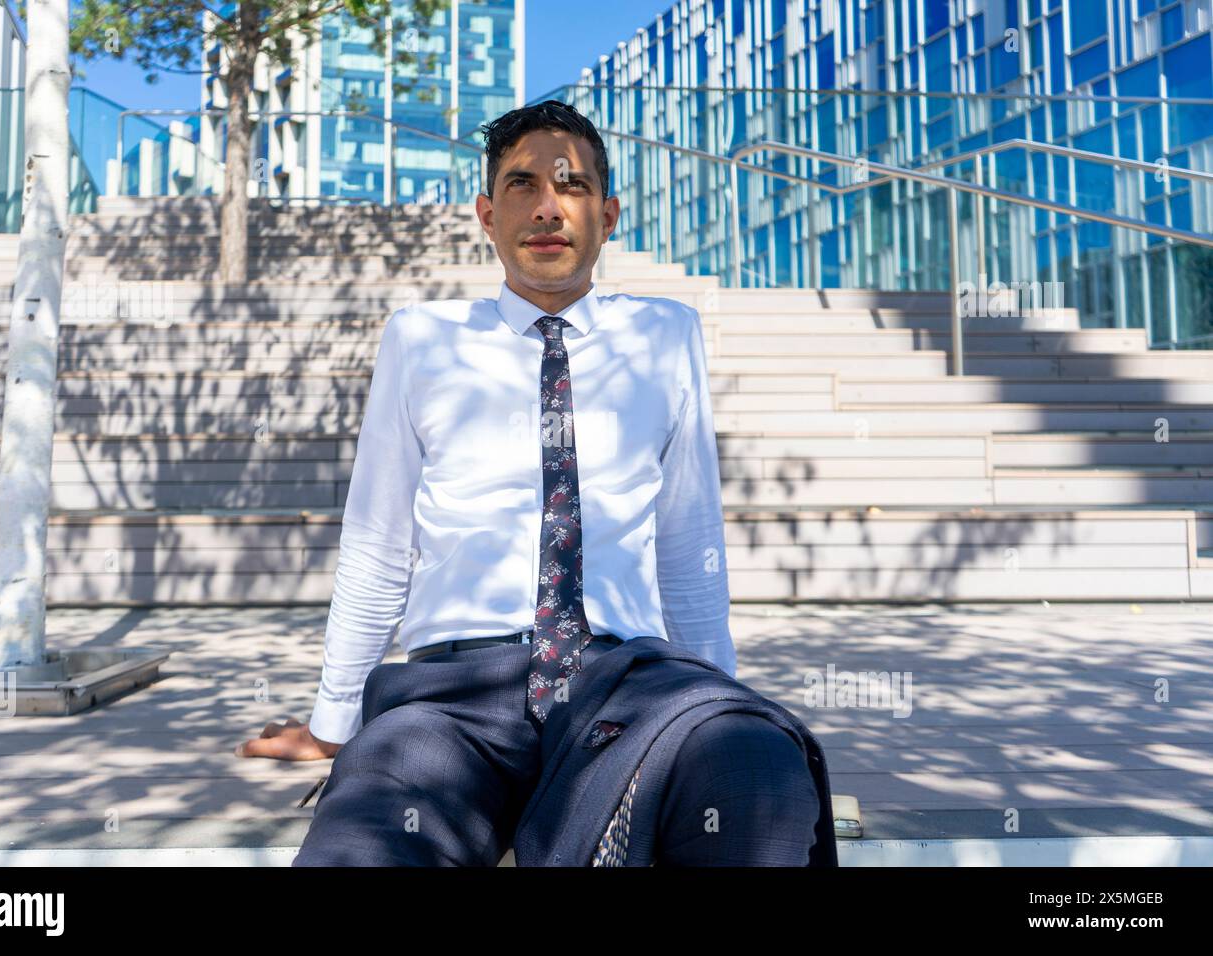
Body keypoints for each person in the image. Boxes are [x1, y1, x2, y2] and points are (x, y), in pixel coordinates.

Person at [236, 100, 828, 867]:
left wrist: (714, 701)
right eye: (522, 184)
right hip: (453, 697)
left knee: (751, 760)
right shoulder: (421, 339)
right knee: (372, 828)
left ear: (608, 214)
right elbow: (379, 541)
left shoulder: (664, 334)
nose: (547, 207)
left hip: (626, 681)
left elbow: (689, 534)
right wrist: (334, 718)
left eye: (571, 184)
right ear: (487, 213)